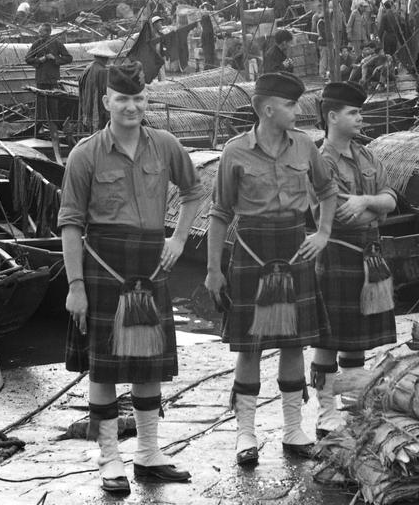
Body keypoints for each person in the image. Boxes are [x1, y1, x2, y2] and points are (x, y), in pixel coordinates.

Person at [59, 61, 202, 494]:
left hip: (150, 265)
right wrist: (75, 287)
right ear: (106, 102)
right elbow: (70, 224)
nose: (132, 106)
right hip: (103, 268)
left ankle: (149, 455)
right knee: (102, 372)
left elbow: (194, 193)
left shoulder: (166, 145)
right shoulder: (85, 154)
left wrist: (177, 240)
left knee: (148, 365)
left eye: (139, 98)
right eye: (122, 98)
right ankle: (110, 459)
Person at [204, 72, 337, 467]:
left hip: (295, 249)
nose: (298, 111)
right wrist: (214, 270)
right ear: (268, 109)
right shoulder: (234, 151)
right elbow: (219, 213)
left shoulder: (306, 147)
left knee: (295, 343)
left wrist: (324, 232)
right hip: (250, 253)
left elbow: (327, 191)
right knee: (249, 346)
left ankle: (294, 430)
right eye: (291, 105)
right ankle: (245, 433)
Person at [311, 81, 397, 440]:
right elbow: (333, 215)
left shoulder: (367, 156)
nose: (360, 118)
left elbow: (391, 200)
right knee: (327, 338)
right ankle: (325, 411)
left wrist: (366, 204)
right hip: (335, 254)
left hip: (368, 257)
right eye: (353, 112)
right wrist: (371, 208)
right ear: (333, 117)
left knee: (356, 339)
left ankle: (350, 403)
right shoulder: (318, 160)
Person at [25, 23, 73, 159]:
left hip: (53, 80)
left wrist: (55, 59)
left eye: (42, 32)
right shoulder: (37, 44)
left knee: (54, 106)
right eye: (39, 32)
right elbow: (27, 59)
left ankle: (56, 130)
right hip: (41, 79)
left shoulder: (57, 44)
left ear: (48, 33)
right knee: (41, 105)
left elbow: (69, 58)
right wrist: (38, 60)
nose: (40, 34)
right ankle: (39, 129)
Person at [77, 44, 114, 135]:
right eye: (106, 58)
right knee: (98, 126)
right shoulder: (102, 71)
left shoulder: (88, 67)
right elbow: (105, 90)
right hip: (96, 103)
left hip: (87, 102)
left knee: (93, 126)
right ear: (104, 58)